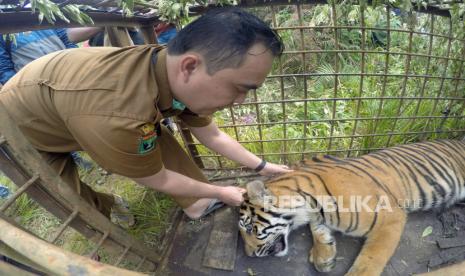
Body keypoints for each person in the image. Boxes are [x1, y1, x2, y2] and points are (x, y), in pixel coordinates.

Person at [0, 8, 292, 221]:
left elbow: (211, 133)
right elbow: (156, 178)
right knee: (69, 196)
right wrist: (221, 191)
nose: (240, 101)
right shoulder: (120, 114)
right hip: (24, 127)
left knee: (149, 133)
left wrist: (262, 166)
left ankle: (196, 201)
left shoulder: (166, 67)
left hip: (67, 100)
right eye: (239, 88)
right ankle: (110, 209)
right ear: (190, 66)